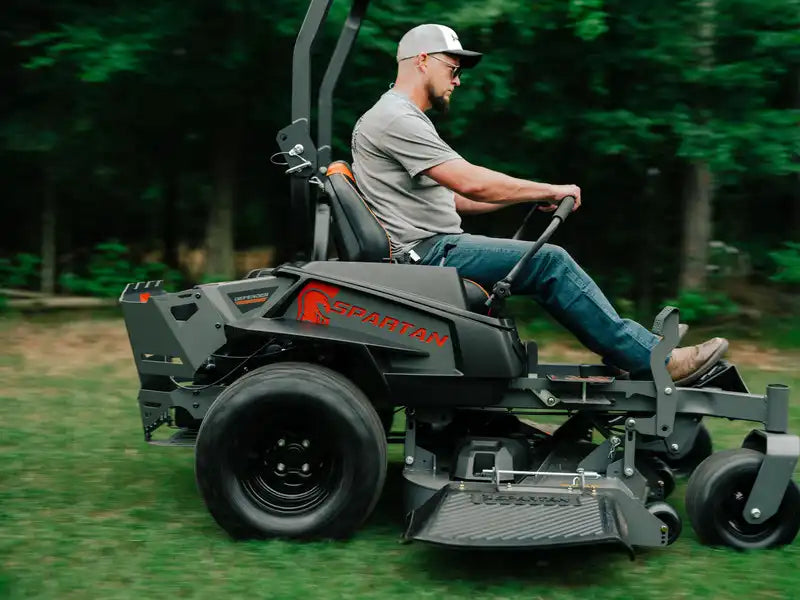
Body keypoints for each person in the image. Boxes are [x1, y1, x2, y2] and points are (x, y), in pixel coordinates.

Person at [350, 24, 728, 384]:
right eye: (452, 68)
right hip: (428, 253)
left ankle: (636, 350)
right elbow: (470, 182)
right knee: (551, 261)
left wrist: (526, 198)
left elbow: (456, 198)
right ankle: (652, 361)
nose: (457, 80)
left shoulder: (399, 117)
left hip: (432, 248)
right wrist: (546, 189)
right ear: (421, 61)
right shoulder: (395, 118)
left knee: (547, 260)